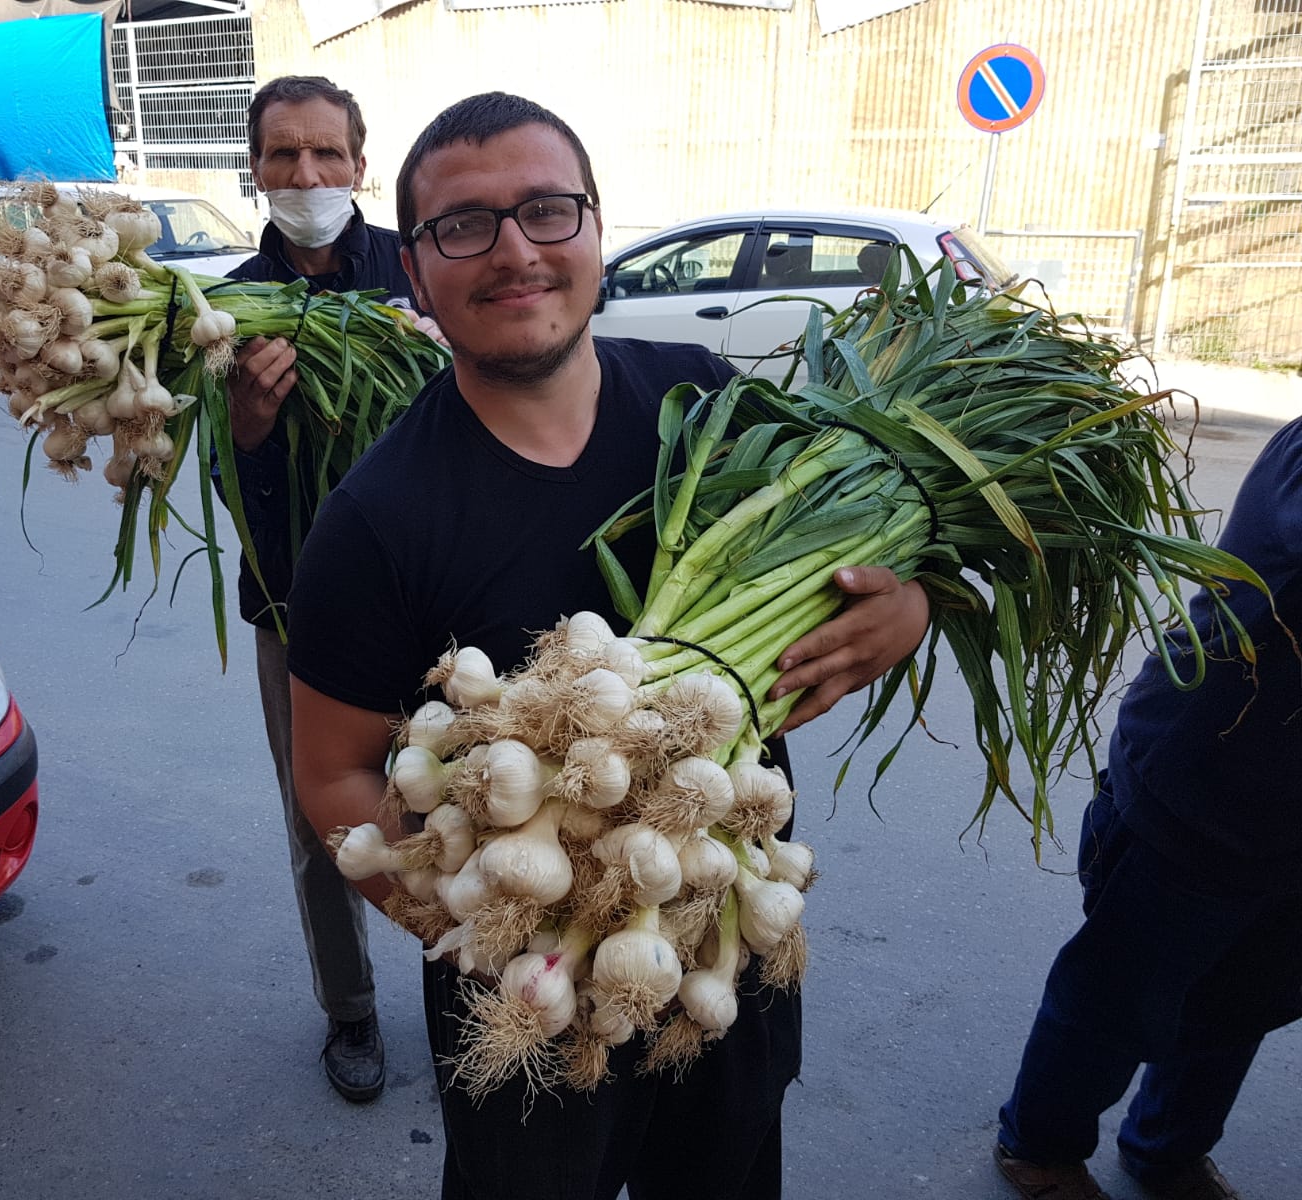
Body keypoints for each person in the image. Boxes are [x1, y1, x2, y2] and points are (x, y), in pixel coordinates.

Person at [285, 91, 930, 1200]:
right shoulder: (373, 518)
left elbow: (851, 564)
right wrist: (481, 913)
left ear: (595, 227)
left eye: (546, 210)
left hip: (728, 929)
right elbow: (331, 771)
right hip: (522, 991)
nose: (514, 251)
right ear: (417, 269)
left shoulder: (708, 402)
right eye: (461, 226)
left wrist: (907, 608)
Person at [994, 417, 1302, 1200]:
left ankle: (1165, 1148)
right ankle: (1042, 1145)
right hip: (1207, 781)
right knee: (1122, 991)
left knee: (1247, 998)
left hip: (1289, 819)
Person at [221, 74, 437, 1103]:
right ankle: (349, 1014)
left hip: (442, 603)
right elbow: (226, 485)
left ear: (359, 161)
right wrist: (249, 432)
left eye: (325, 155)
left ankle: (480, 988)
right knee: (329, 829)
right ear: (256, 168)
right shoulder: (220, 310)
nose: (304, 176)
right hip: (296, 612)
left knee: (470, 801)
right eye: (281, 157)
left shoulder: (425, 265)